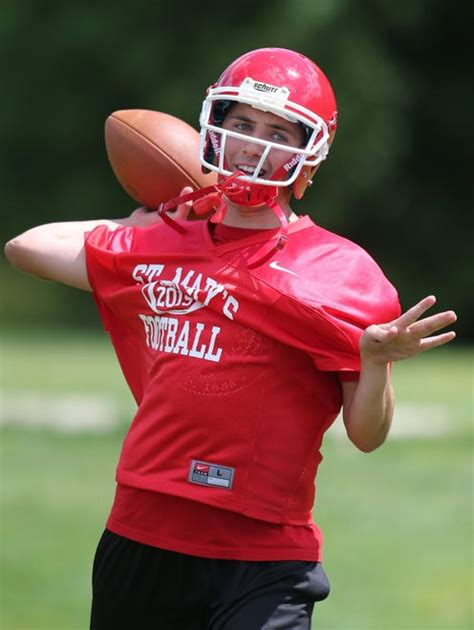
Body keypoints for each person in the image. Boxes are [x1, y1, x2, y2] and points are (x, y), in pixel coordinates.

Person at [4, 47, 457, 630]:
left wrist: (373, 364)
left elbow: (366, 435)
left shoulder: (338, 273)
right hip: (143, 529)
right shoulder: (162, 239)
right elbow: (27, 247)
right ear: (212, 129)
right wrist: (150, 222)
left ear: (310, 156)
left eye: (277, 131)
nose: (254, 144)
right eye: (241, 125)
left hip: (264, 557)